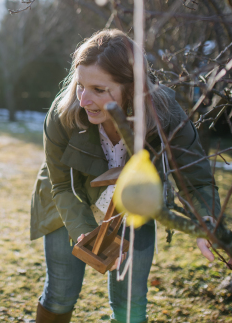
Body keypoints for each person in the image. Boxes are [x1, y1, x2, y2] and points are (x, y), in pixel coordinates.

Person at [30, 30, 220, 323]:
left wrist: (207, 222)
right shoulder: (64, 114)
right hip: (66, 203)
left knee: (130, 303)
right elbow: (61, 186)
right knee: (61, 293)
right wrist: (82, 229)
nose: (84, 100)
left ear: (132, 88)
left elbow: (197, 178)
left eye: (98, 89)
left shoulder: (166, 115)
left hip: (132, 208)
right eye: (80, 85)